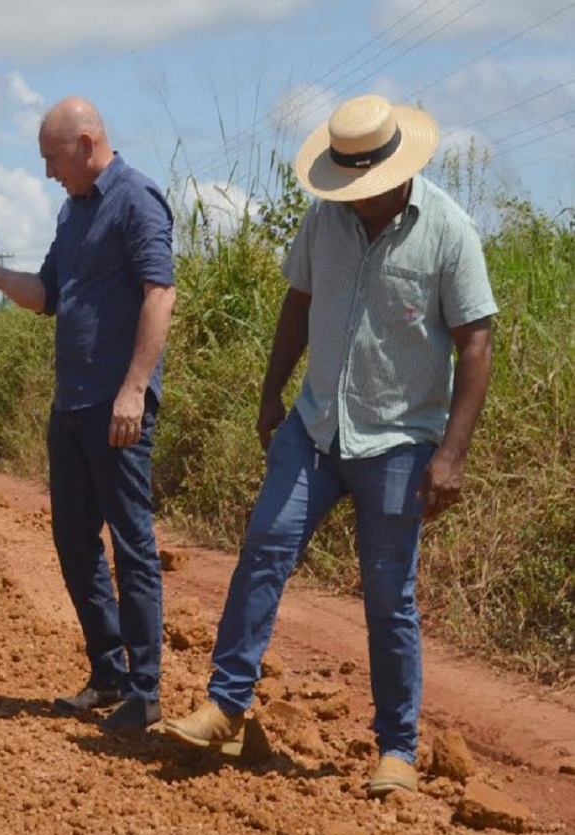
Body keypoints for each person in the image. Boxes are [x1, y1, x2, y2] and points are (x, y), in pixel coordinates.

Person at [162, 94, 496, 797]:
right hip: (314, 429)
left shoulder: (448, 230)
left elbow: (476, 342)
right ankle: (227, 705)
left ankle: (397, 750)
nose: (356, 198)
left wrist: (452, 454)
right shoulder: (324, 218)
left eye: (365, 185)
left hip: (400, 440)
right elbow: (299, 303)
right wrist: (270, 393)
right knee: (264, 549)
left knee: (388, 596)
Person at [0, 97, 177, 731]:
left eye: (52, 158)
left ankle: (145, 689)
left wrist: (134, 390)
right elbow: (47, 295)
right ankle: (108, 673)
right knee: (75, 543)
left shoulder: (136, 199)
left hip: (117, 406)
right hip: (73, 404)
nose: (48, 172)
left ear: (85, 144)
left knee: (132, 546)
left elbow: (159, 293)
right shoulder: (72, 211)